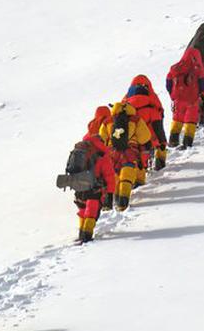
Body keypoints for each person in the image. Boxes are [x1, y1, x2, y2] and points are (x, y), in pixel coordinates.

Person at [61, 115, 116, 243]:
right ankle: (87, 234)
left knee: (82, 207)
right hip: (93, 185)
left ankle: (81, 232)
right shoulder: (102, 154)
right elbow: (109, 175)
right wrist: (110, 193)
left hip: (78, 182)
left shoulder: (80, 149)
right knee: (92, 206)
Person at [99, 99, 153, 209]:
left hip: (112, 152)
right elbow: (145, 138)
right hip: (130, 151)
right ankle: (123, 200)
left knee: (113, 174)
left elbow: (101, 140)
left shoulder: (107, 121)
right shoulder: (136, 120)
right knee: (127, 172)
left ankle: (112, 197)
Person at [166, 47, 204, 146]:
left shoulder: (175, 68)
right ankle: (187, 142)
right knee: (191, 120)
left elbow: (168, 83)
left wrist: (173, 95)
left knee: (177, 119)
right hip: (192, 100)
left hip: (178, 99)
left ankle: (173, 140)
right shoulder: (198, 69)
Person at [125, 76, 168, 170]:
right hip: (150, 137)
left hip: (132, 138)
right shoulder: (151, 102)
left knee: (137, 155)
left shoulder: (126, 103)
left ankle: (138, 173)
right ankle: (159, 162)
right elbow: (158, 125)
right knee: (154, 145)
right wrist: (162, 141)